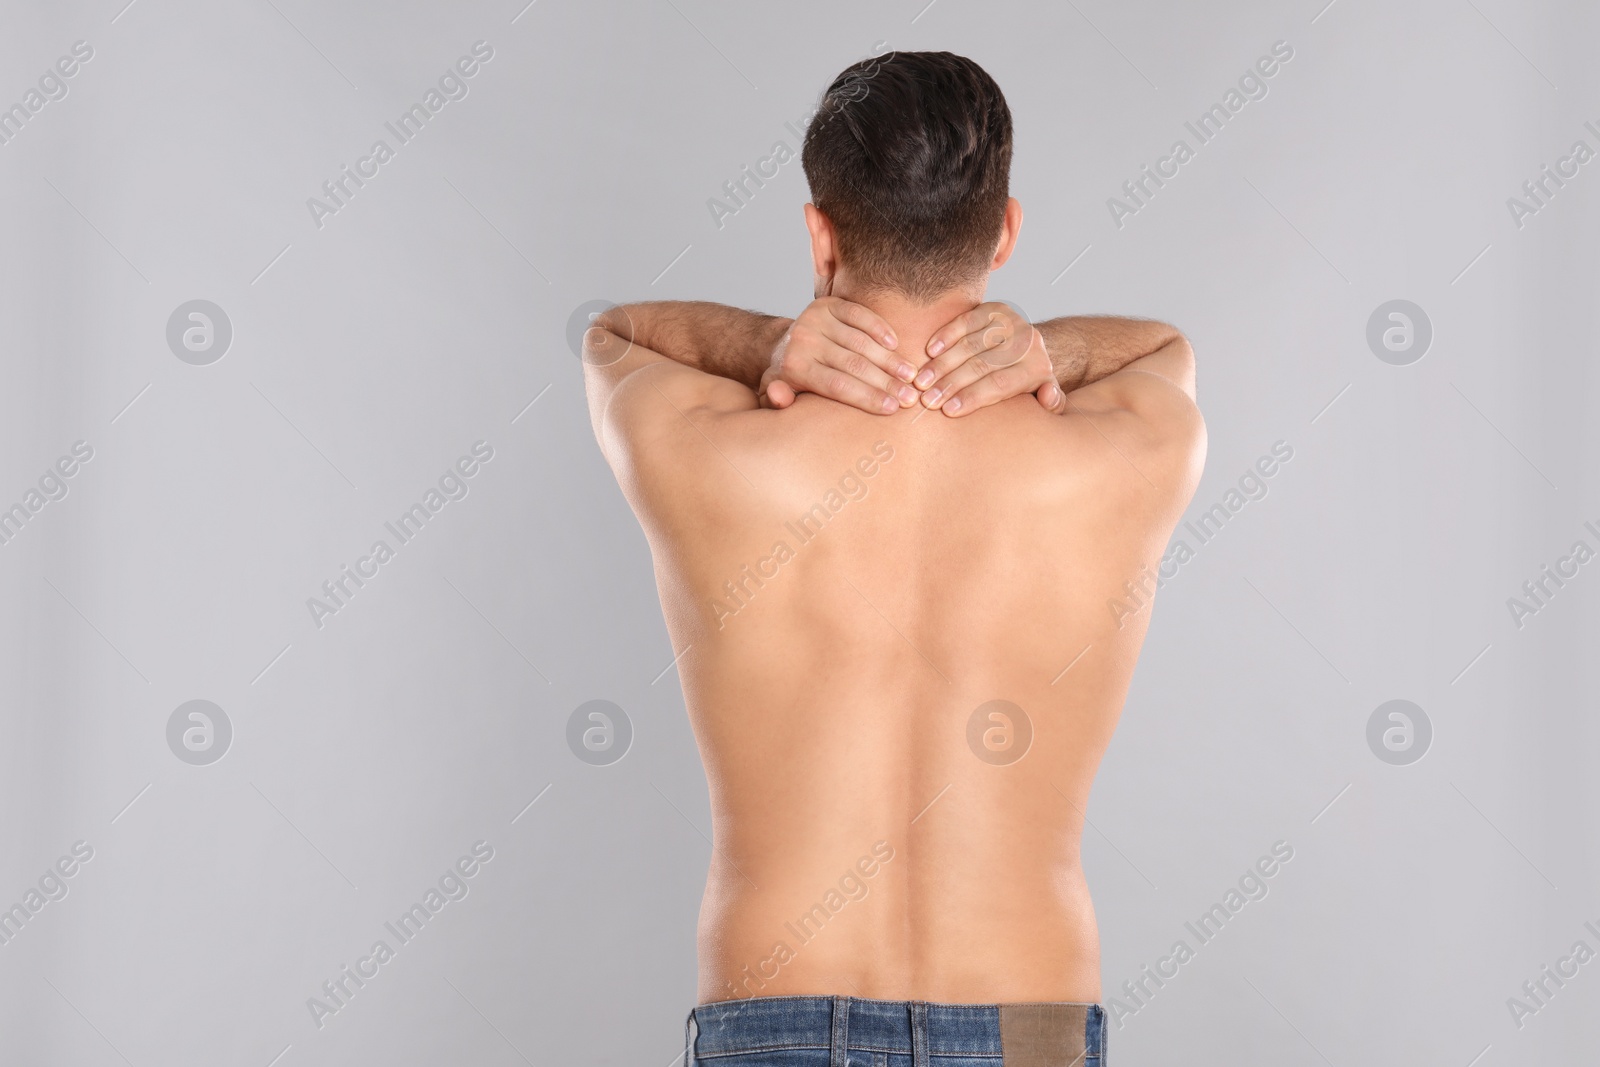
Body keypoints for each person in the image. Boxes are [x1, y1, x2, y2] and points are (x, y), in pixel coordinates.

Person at [581, 50, 1204, 1067]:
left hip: (775, 1013)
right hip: (1027, 1023)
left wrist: (770, 342)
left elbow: (613, 335)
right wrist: (1049, 350)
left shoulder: (710, 446)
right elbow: (1164, 348)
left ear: (819, 232)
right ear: (1004, 233)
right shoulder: (1124, 444)